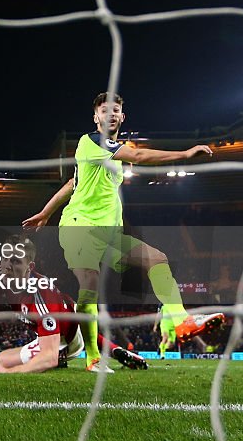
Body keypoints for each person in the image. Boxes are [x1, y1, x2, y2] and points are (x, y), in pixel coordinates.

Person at [22, 92, 225, 372]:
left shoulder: (110, 154)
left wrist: (45, 212)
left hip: (107, 232)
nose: (111, 114)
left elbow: (73, 182)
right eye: (105, 110)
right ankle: (93, 356)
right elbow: (139, 155)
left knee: (156, 259)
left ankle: (181, 321)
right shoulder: (91, 141)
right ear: (96, 117)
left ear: (122, 116)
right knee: (89, 285)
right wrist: (185, 153)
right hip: (80, 225)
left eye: (116, 110)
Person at [0, 234, 148, 373]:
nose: (7, 265)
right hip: (69, 313)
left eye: (15, 261)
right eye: (5, 258)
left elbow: (48, 357)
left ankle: (68, 352)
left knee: (3, 359)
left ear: (30, 266)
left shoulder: (41, 295)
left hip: (65, 335)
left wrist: (6, 372)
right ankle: (115, 350)